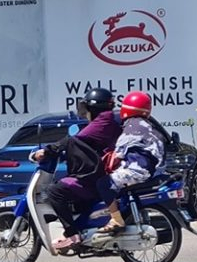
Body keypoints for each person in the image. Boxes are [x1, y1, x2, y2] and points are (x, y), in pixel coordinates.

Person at [29, 88, 121, 251]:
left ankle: (72, 234)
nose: (84, 111)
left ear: (93, 107)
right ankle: (88, 233)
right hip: (100, 175)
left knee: (55, 192)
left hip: (93, 177)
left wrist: (48, 151)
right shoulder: (105, 121)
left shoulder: (103, 121)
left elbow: (74, 140)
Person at [97, 91, 167, 234]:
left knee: (103, 183)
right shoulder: (148, 125)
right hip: (154, 171)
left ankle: (116, 218)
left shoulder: (131, 127)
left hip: (138, 172)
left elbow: (118, 154)